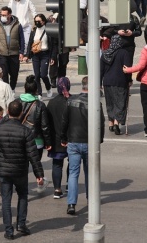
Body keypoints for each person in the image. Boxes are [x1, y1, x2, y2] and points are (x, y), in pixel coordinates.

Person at [0, 99, 44, 240]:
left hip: (3, 170)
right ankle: (21, 224)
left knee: (6, 200)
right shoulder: (25, 131)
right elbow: (33, 154)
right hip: (20, 170)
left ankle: (9, 230)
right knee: (23, 196)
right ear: (21, 113)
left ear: (8, 112)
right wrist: (39, 174)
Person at [60, 76, 105, 215]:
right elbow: (101, 123)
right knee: (89, 172)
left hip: (73, 140)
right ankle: (90, 199)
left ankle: (71, 203)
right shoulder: (96, 103)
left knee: (73, 173)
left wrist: (63, 138)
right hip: (89, 142)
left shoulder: (71, 101)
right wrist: (100, 139)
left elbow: (64, 121)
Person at [100, 35, 133, 135]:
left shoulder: (105, 53)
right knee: (120, 102)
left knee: (110, 103)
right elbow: (127, 69)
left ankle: (110, 123)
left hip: (107, 82)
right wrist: (129, 80)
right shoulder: (124, 53)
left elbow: (100, 70)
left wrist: (99, 82)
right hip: (120, 81)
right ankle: (116, 123)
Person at [46, 77, 70, 199]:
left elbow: (47, 123)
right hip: (70, 138)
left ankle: (57, 189)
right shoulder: (72, 101)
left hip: (55, 139)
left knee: (57, 164)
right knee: (72, 163)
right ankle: (69, 186)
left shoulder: (52, 102)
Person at [0, 6, 26, 92]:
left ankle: (12, 88)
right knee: (4, 73)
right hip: (2, 53)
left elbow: (22, 39)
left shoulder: (17, 25)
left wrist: (21, 52)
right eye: (1, 14)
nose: (2, 16)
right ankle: (7, 90)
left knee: (14, 73)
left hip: (14, 53)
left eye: (4, 15)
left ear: (9, 15)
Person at [18, 76, 52, 159]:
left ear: (25, 88)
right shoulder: (40, 105)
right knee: (37, 166)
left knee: (22, 167)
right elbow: (45, 126)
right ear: (36, 90)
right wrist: (48, 142)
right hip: (37, 141)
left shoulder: (16, 102)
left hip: (20, 139)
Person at [26, 14, 57, 97]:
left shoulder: (48, 30)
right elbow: (30, 43)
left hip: (45, 54)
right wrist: (27, 55)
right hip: (35, 55)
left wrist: (52, 57)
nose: (37, 22)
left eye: (39, 21)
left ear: (43, 21)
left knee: (43, 74)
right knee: (37, 75)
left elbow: (53, 45)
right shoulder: (34, 30)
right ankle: (39, 92)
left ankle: (48, 87)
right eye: (35, 21)